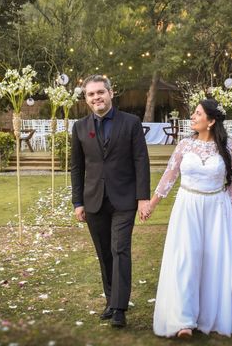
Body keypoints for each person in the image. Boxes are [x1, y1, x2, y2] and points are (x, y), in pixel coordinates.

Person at [146, 98, 232, 338]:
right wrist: (152, 204)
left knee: (214, 261)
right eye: (193, 113)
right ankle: (183, 320)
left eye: (198, 114)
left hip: (217, 208)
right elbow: (169, 176)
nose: (192, 117)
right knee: (185, 258)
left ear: (211, 121)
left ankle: (210, 314)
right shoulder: (184, 145)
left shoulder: (228, 146)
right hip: (187, 206)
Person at [71, 74, 151, 328]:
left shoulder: (131, 123)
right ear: (86, 99)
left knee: (120, 249)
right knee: (104, 253)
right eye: (91, 94)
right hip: (93, 201)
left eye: (100, 92)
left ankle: (119, 307)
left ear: (110, 93)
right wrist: (77, 202)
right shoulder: (80, 128)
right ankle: (110, 301)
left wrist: (143, 199)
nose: (96, 97)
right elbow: (76, 167)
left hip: (124, 200)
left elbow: (141, 161)